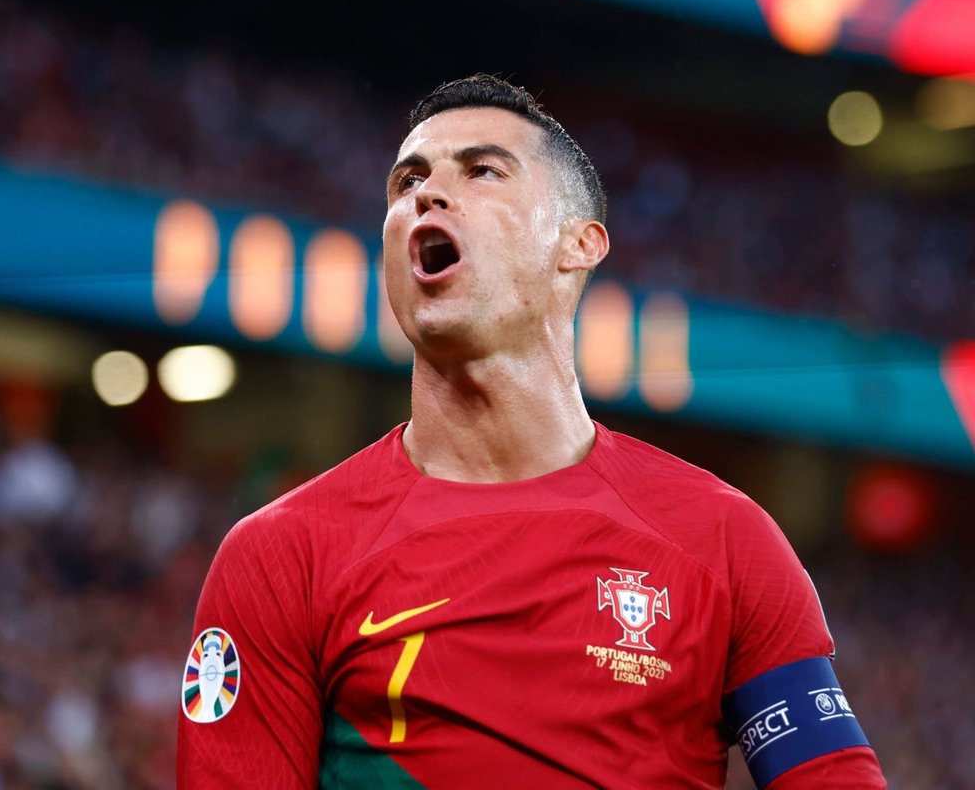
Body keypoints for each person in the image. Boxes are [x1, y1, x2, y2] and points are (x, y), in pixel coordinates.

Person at [177, 74, 886, 789]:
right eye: (407, 181)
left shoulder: (724, 540)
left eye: (482, 170)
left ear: (578, 244)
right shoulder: (282, 555)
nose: (427, 194)